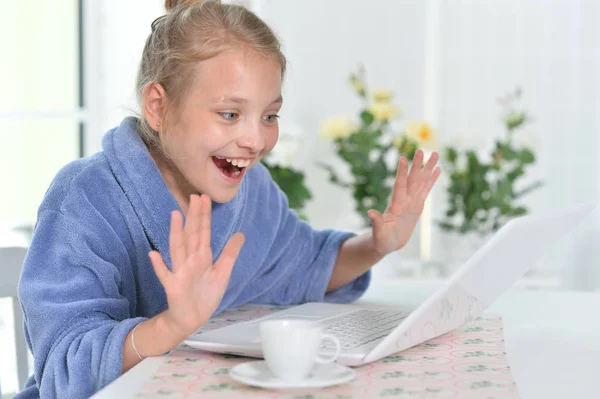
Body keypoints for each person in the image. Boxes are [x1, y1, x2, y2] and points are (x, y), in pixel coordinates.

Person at [15, 0, 440, 397]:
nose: (255, 140)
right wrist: (173, 324)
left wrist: (378, 245)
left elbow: (305, 265)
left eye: (269, 116)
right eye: (230, 114)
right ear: (159, 107)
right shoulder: (85, 200)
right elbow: (64, 368)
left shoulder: (252, 194)